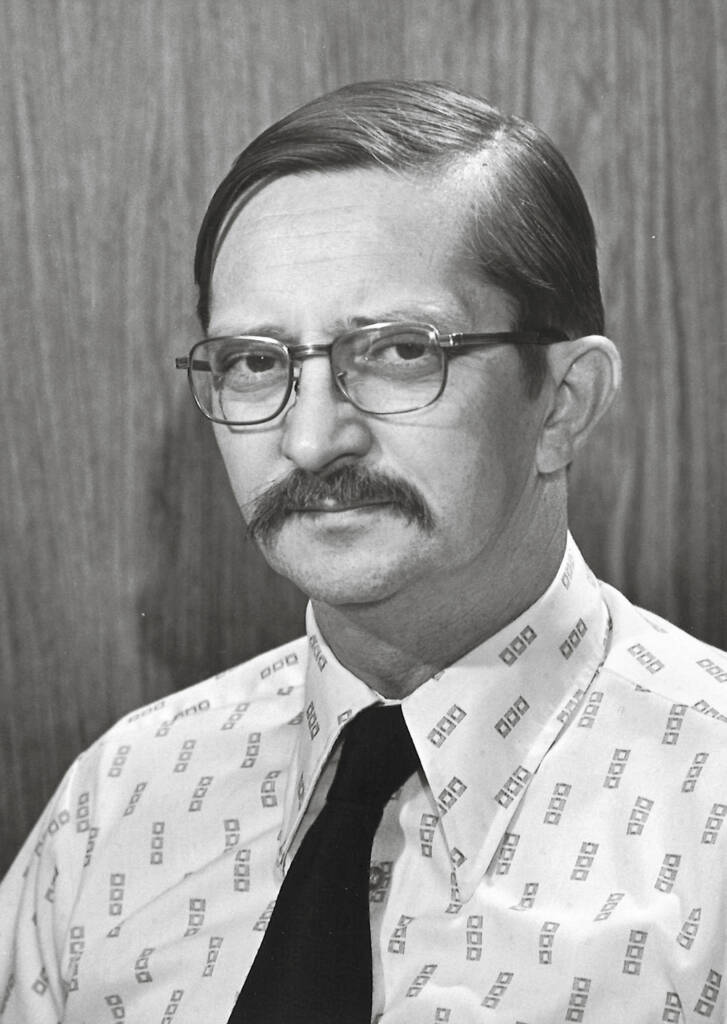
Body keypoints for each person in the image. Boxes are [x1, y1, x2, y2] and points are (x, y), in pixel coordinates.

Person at [1, 80, 725, 1024]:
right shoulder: (118, 803)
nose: (310, 442)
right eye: (256, 361)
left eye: (396, 352)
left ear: (562, 402)